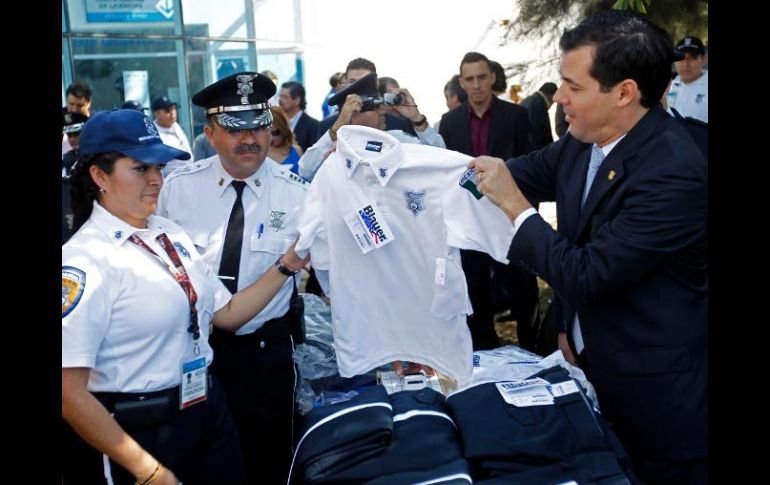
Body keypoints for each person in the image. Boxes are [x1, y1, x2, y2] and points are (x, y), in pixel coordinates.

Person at [468, 11, 707, 484]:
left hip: (657, 400)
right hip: (588, 367)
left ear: (623, 92)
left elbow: (587, 274)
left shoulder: (673, 170)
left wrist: (519, 211)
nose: (558, 98)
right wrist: (409, 170)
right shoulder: (582, 141)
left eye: (572, 86)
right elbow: (509, 172)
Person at [62, 109, 309, 485]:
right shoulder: (84, 260)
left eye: (159, 168)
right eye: (140, 169)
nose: (156, 180)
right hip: (140, 433)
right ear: (100, 176)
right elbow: (68, 392)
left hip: (205, 411)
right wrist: (147, 470)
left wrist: (288, 263)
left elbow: (226, 313)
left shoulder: (168, 234)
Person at [157, 72, 308, 485]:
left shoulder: (297, 195)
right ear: (209, 133)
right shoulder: (178, 190)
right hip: (194, 353)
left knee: (269, 464)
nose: (251, 139)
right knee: (199, 464)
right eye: (235, 128)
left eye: (260, 126)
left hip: (266, 356)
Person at [439, 51, 536, 352]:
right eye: (470, 79)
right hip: (469, 220)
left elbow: (532, 165)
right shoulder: (450, 122)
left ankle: (532, 347)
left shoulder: (517, 116)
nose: (477, 84)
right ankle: (484, 353)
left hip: (508, 216)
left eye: (482, 77)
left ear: (493, 77)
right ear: (461, 82)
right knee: (475, 288)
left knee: (521, 288)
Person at [298, 72, 445, 182]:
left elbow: (440, 158)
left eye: (382, 105)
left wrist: (417, 118)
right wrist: (338, 125)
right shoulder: (340, 146)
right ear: (354, 113)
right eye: (376, 107)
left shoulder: (395, 139)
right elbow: (305, 171)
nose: (383, 111)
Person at [317, 58, 417, 139]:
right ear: (345, 84)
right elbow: (313, 163)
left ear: (376, 84)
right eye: (353, 82)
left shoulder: (398, 124)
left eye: (366, 82)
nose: (359, 87)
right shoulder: (327, 126)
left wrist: (418, 119)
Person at [62, 112, 90, 244]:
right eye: (69, 135)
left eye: (76, 134)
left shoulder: (94, 156)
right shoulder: (67, 158)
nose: (72, 139)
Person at [667, 36, 708, 123]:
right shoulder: (668, 84)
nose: (685, 64)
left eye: (692, 58)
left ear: (703, 59)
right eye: (680, 58)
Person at [152, 96, 192, 177]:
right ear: (157, 113)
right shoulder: (152, 133)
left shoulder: (176, 126)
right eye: (167, 111)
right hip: (168, 179)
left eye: (173, 109)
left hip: (187, 174)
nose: (172, 113)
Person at [279, 81, 319, 152]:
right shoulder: (276, 123)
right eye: (280, 96)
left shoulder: (313, 125)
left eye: (285, 97)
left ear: (297, 100)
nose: (280, 100)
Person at [520, 82, 558, 150]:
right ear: (552, 96)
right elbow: (536, 133)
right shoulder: (538, 103)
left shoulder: (529, 99)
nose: (552, 104)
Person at [268, 106, 304, 175]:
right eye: (267, 133)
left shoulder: (296, 151)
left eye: (275, 133)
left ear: (283, 129)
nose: (271, 138)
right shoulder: (260, 154)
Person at [63, 82, 93, 156]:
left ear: (89, 103)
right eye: (71, 104)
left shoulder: (95, 122)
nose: (74, 110)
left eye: (79, 105)